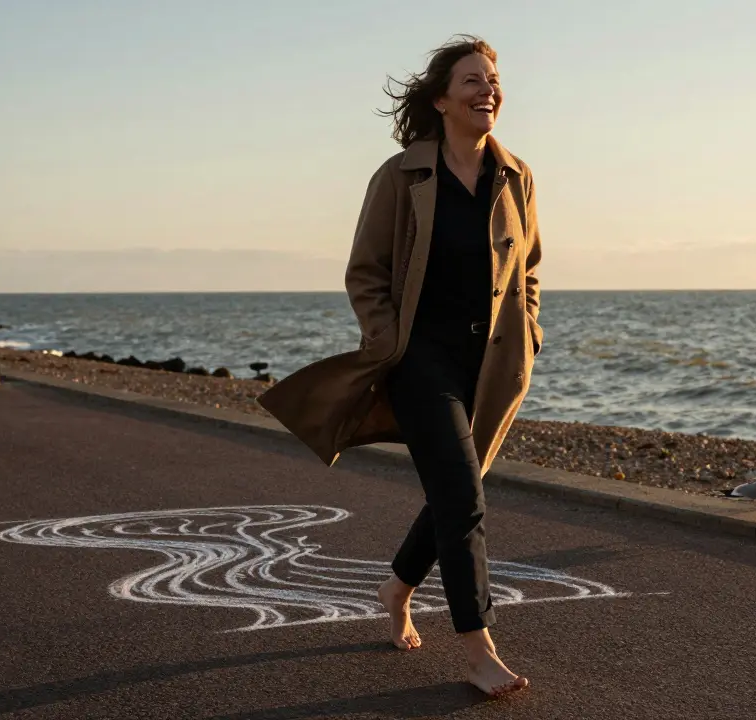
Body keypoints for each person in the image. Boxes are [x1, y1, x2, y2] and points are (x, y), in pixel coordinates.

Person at [256, 34, 543, 697]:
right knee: (464, 497)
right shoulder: (402, 175)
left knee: (454, 491)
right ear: (441, 98)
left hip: (491, 364)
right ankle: (477, 648)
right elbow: (366, 272)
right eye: (472, 80)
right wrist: (392, 344)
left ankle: (396, 587)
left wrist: (529, 329)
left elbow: (528, 269)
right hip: (421, 359)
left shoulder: (517, 177)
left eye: (493, 80)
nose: (488, 90)